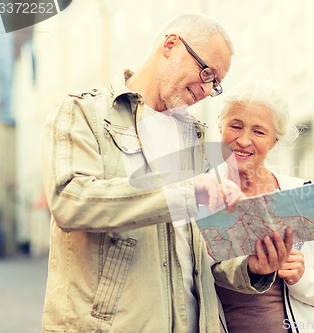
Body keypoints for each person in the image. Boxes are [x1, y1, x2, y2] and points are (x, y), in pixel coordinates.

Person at [41, 14, 292, 333]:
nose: (206, 89)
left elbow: (210, 255)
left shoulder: (199, 140)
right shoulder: (82, 114)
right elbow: (70, 201)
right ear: (171, 45)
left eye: (215, 84)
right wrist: (184, 194)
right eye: (206, 72)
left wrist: (252, 268)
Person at [212, 79, 314, 333]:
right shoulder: (200, 198)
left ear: (274, 142)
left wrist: (303, 277)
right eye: (235, 126)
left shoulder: (299, 196)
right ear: (220, 128)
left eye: (259, 132)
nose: (244, 140)